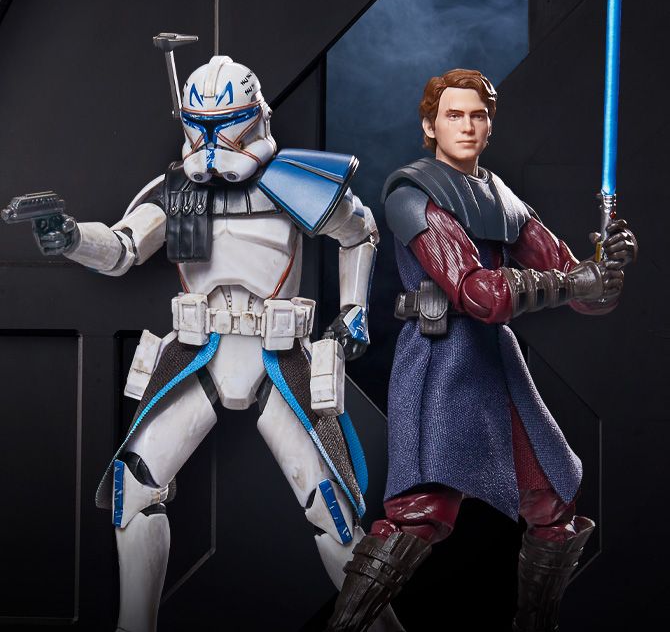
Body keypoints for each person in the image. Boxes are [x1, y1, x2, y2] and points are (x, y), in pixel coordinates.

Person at [16, 48, 401, 632]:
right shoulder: (178, 191)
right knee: (133, 489)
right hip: (201, 352)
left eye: (225, 125)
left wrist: (354, 311)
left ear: (255, 118)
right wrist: (71, 238)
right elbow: (122, 248)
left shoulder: (294, 182)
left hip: (277, 356)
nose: (213, 141)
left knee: (334, 511)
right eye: (202, 126)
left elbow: (360, 231)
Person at [326, 69, 637, 632]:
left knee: (553, 504)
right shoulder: (413, 194)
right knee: (420, 513)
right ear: (430, 125)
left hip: (495, 364)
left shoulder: (501, 197)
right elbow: (478, 294)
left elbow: (578, 288)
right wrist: (576, 281)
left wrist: (606, 270)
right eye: (454, 115)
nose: (467, 126)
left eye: (478, 115)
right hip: (441, 361)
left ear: (490, 125)